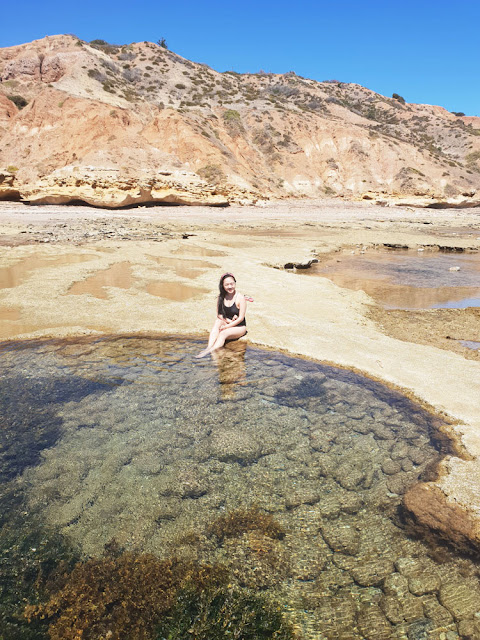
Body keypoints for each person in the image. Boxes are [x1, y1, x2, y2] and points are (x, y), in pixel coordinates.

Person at [196, 273, 247, 358]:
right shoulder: (221, 297)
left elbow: (241, 318)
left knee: (223, 333)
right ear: (222, 285)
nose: (230, 286)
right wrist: (228, 322)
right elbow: (219, 315)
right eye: (227, 285)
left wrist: (228, 326)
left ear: (235, 283)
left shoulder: (240, 298)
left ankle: (211, 351)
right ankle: (209, 347)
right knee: (218, 321)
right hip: (229, 322)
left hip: (239, 327)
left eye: (232, 284)